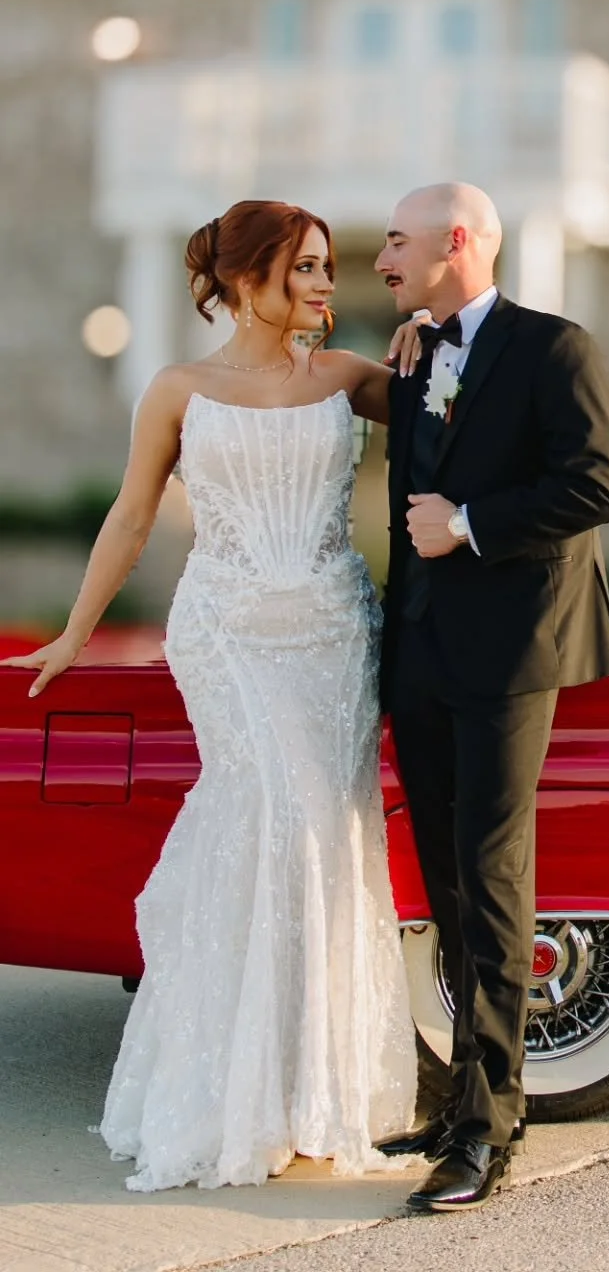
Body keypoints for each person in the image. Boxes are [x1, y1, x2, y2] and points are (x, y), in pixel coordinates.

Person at [1, 200, 417, 1192]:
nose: (325, 284)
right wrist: (76, 630)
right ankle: (229, 1094)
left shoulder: (354, 379)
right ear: (244, 281)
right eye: (306, 269)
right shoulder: (178, 389)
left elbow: (467, 415)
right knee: (267, 813)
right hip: (226, 630)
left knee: (325, 835)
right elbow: (133, 514)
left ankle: (319, 1092)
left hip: (330, 631)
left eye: (327, 268)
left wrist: (434, 341)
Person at [374, 182, 609, 1214]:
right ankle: (459, 1099)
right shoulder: (417, 351)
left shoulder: (556, 347)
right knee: (441, 883)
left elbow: (593, 486)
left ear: (457, 242)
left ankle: (488, 1125)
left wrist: (469, 522)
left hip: (511, 653)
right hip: (422, 653)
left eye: (397, 239)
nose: (383, 256)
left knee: (489, 876)